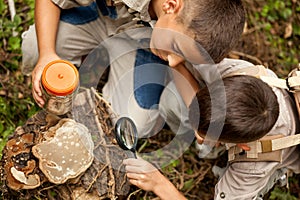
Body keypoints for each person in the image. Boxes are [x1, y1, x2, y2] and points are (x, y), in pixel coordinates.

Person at [21, 0, 246, 137]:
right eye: (176, 48)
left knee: (132, 124)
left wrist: (202, 119)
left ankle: (108, 59)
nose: (172, 62)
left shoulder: (186, 33)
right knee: (35, 48)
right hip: (99, 16)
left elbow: (178, 63)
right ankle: (83, 58)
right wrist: (47, 53)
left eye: (183, 56)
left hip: (139, 47)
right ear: (170, 5)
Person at [123, 59, 300, 199]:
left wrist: (159, 184)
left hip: (275, 157)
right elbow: (176, 60)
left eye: (205, 136)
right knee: (172, 101)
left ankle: (269, 179)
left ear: (244, 146)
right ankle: (211, 148)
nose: (199, 136)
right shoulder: (239, 71)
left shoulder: (254, 167)